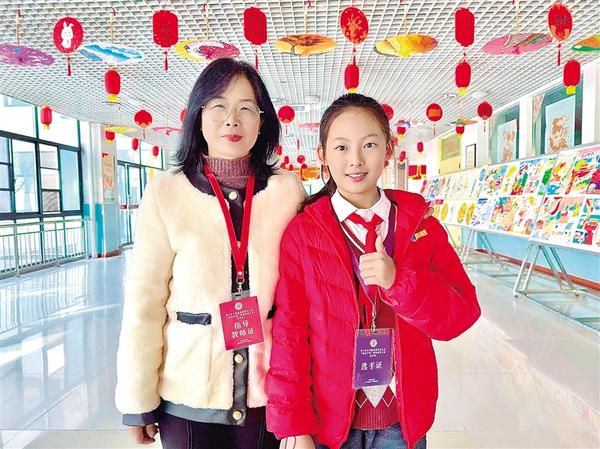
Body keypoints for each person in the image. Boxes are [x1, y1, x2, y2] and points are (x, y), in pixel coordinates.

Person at [265, 93, 481, 449]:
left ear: (388, 149)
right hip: (329, 421)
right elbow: (290, 333)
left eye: (369, 144)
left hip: (402, 420)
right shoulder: (304, 233)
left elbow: (461, 314)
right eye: (341, 147)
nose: (355, 160)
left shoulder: (420, 227)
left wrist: (399, 282)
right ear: (322, 155)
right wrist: (294, 425)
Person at [115, 58, 306, 449]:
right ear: (198, 116)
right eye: (218, 106)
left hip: (267, 389)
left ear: (262, 122)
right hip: (188, 393)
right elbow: (144, 302)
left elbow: (303, 294)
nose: (231, 120)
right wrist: (137, 400)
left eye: (246, 108)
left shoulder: (287, 192)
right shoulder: (166, 193)